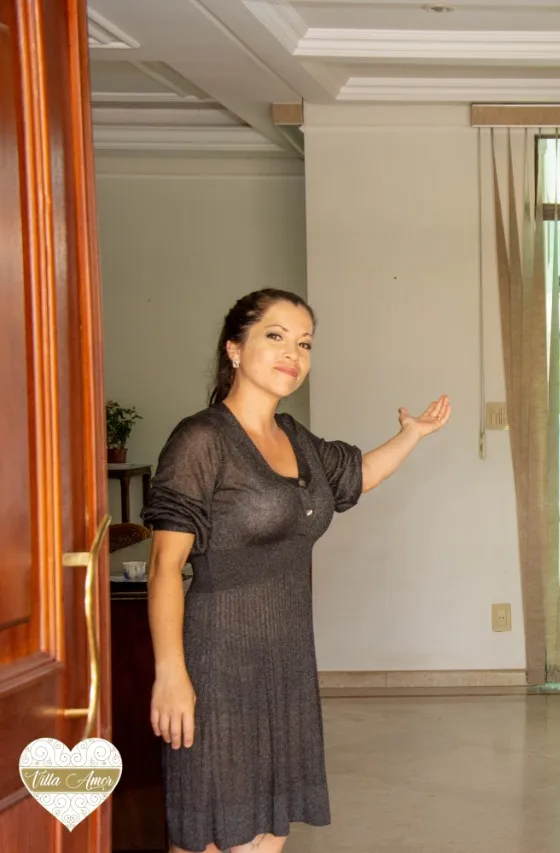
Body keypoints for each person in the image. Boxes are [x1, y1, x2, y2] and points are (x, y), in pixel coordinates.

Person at [141, 288, 451, 853]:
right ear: (235, 348)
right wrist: (171, 673)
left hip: (287, 664)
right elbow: (165, 567)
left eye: (304, 343)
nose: (294, 353)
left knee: (269, 832)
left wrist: (412, 434)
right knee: (211, 832)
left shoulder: (294, 437)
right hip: (217, 664)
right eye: (276, 336)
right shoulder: (201, 439)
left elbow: (356, 475)